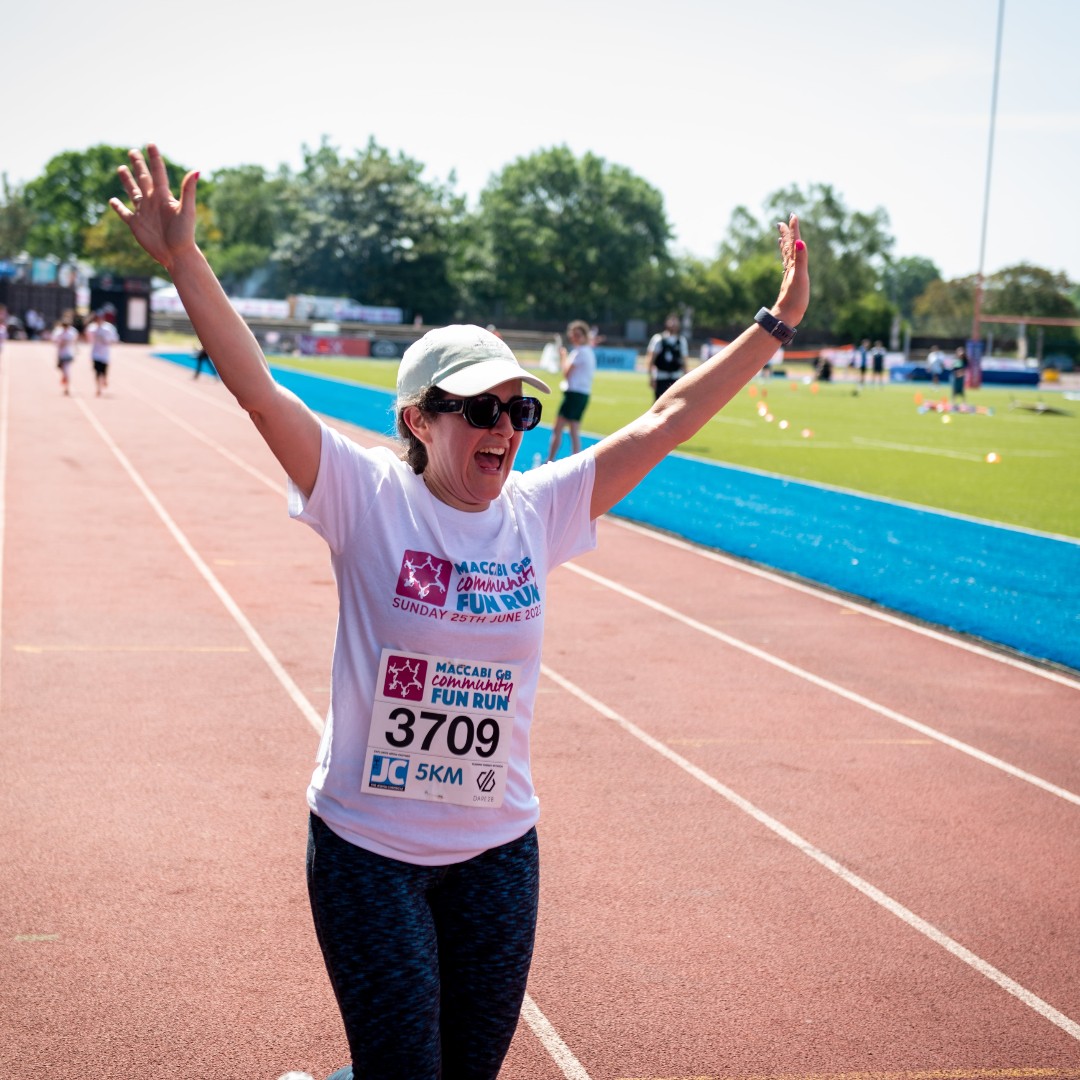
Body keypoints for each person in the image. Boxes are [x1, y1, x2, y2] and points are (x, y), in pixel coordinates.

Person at [109, 143, 808, 1080]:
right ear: (416, 420)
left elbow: (664, 421)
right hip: (369, 849)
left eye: (517, 411)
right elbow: (257, 389)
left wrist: (774, 325)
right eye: (477, 411)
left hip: (497, 850)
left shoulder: (543, 507)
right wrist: (185, 262)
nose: (503, 431)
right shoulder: (363, 497)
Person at [546, 319, 596, 462]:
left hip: (574, 394)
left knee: (558, 428)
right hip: (582, 394)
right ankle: (575, 464)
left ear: (585, 336)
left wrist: (563, 357)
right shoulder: (587, 352)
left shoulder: (579, 352)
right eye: (573, 335)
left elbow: (566, 373)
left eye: (578, 335)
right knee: (573, 431)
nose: (574, 338)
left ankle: (549, 459)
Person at [646, 314, 688, 401]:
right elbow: (651, 359)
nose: (673, 324)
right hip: (661, 377)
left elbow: (684, 361)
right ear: (666, 323)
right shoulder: (658, 339)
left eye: (675, 321)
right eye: (671, 321)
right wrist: (651, 377)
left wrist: (687, 378)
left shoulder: (681, 340)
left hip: (675, 378)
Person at [85, 310, 120, 396]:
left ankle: (104, 379)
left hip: (105, 354)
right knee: (97, 371)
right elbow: (88, 339)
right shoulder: (91, 328)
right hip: (95, 353)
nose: (98, 320)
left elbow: (115, 339)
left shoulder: (108, 328)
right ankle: (98, 388)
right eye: (97, 318)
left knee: (103, 371)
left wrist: (107, 341)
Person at [52, 313, 79, 395]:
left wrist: (76, 349)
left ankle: (67, 387)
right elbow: (55, 341)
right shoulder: (58, 332)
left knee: (67, 370)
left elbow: (75, 341)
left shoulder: (72, 332)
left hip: (68, 354)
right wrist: (61, 343)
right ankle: (64, 377)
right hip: (61, 354)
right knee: (62, 369)